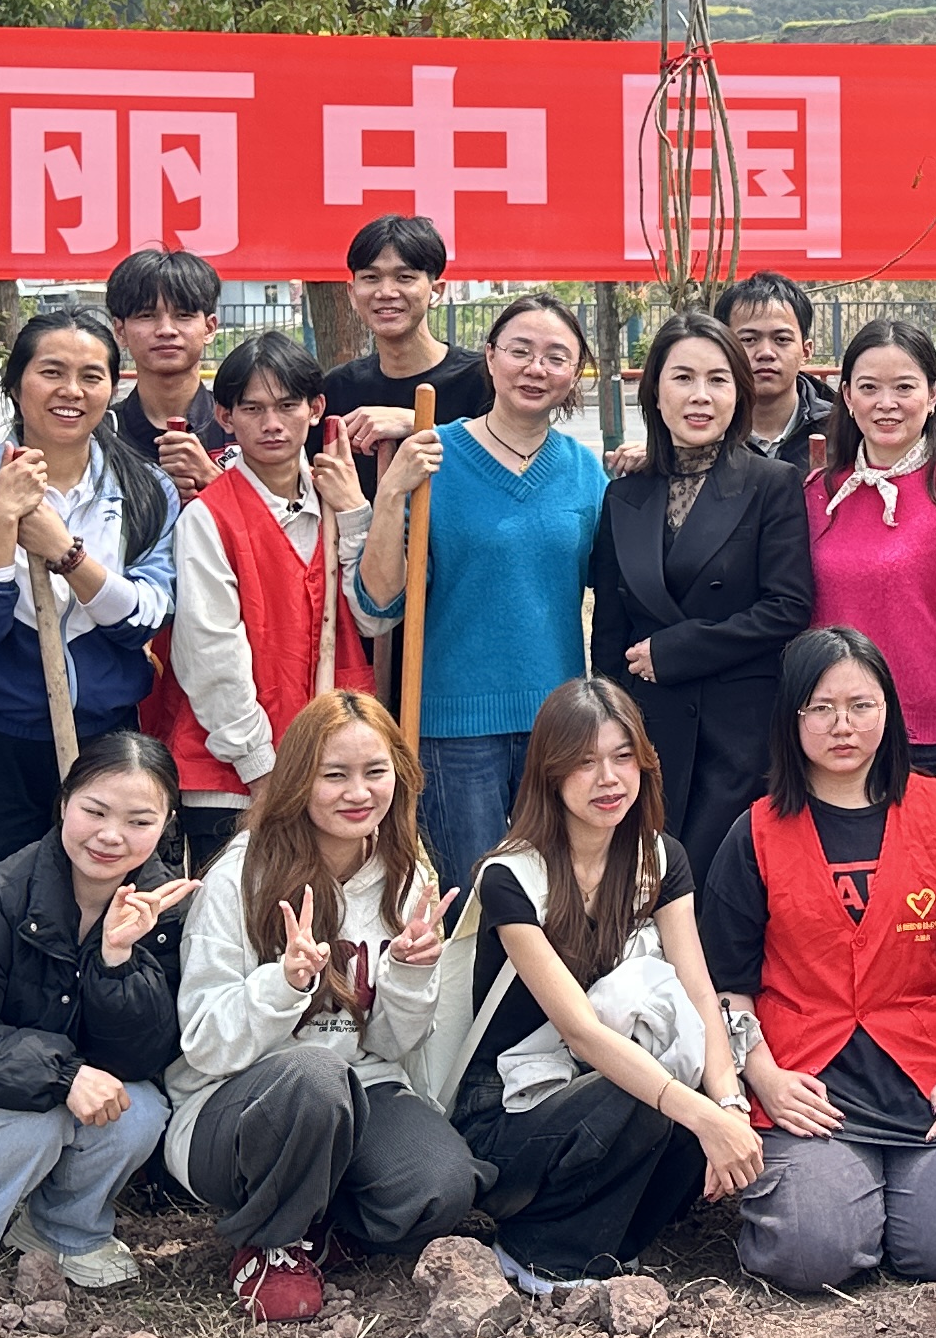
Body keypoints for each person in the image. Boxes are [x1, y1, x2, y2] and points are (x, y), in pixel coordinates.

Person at [694, 627, 936, 1292]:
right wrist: (763, 1076)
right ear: (792, 717)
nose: (842, 725)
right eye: (821, 708)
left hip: (931, 1083)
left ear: (889, 710)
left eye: (861, 705)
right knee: (811, 1253)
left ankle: (900, 1199)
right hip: (809, 1088)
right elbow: (727, 985)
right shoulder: (755, 831)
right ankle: (841, 1199)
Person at [421, 678, 761, 1286]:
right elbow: (580, 1030)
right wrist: (702, 1116)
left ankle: (607, 1241)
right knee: (646, 1097)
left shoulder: (660, 858)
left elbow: (699, 992)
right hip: (507, 1108)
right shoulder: (510, 876)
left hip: (593, 1088)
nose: (608, 779)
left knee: (688, 1104)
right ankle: (538, 1251)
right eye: (584, 762)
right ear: (549, 774)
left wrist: (729, 1107)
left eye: (622, 757)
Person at [164, 692, 483, 1320]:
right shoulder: (240, 876)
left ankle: (324, 1231)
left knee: (441, 1188)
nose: (357, 792)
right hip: (234, 1105)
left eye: (375, 771)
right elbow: (204, 1043)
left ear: (399, 775)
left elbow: (389, 1046)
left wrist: (409, 974)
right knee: (314, 1074)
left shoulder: (407, 875)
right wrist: (282, 985)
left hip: (360, 1087)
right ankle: (271, 1242)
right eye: (334, 775)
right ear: (297, 780)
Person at [0, 732, 199, 1310]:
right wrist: (62, 1075)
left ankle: (63, 1230)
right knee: (34, 1120)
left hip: (67, 1090)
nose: (111, 835)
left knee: (141, 1108)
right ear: (64, 803)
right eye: (95, 811)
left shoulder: (164, 909)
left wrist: (117, 961)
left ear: (166, 823)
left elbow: (147, 1056)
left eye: (139, 821)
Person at [358, 292, 613, 889]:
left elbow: (618, 584)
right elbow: (380, 602)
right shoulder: (433, 457)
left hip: (559, 724)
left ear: (575, 373)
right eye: (520, 351)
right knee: (475, 897)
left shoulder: (585, 472)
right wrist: (391, 494)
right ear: (490, 358)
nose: (535, 368)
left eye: (556, 357)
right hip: (453, 727)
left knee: (557, 893)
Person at [0, 308, 182, 893]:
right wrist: (1, 518)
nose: (72, 391)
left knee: (103, 905)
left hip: (106, 738)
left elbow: (145, 618)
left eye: (91, 376)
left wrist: (65, 553)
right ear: (16, 385)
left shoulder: (146, 488)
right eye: (52, 372)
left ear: (113, 388)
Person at [588, 311, 815, 873]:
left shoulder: (771, 483)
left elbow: (788, 606)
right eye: (683, 378)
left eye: (718, 380)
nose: (700, 396)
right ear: (655, 392)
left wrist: (678, 650)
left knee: (724, 893)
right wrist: (610, 730)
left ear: (738, 394)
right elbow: (610, 632)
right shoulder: (624, 495)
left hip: (740, 737)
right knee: (644, 889)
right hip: (648, 735)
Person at [145, 332, 373, 872]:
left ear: (315, 409)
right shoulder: (208, 517)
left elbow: (372, 615)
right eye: (252, 409)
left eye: (288, 405)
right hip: (234, 778)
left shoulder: (339, 502)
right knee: (237, 914)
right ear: (224, 417)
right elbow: (209, 656)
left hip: (335, 767)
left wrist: (358, 516)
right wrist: (263, 770)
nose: (272, 424)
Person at [799, 317, 936, 801]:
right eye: (869, 388)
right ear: (847, 396)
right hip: (829, 734)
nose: (886, 403)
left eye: (904, 387)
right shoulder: (815, 495)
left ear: (933, 395)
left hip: (929, 741)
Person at [317, 212, 494, 494]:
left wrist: (418, 425)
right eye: (371, 278)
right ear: (352, 293)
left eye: (404, 277)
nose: (386, 292)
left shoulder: (485, 380)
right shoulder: (336, 388)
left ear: (436, 291)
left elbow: (505, 473)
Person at [104, 246, 225, 496]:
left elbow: (288, 515)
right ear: (120, 331)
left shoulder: (243, 426)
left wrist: (214, 480)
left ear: (209, 328)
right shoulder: (101, 434)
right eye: (147, 315)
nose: (166, 330)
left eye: (183, 315)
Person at [721, 272, 840, 471]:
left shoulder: (841, 431)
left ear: (806, 351)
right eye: (749, 339)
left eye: (782, 339)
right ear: (724, 348)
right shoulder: (707, 429)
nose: (766, 353)